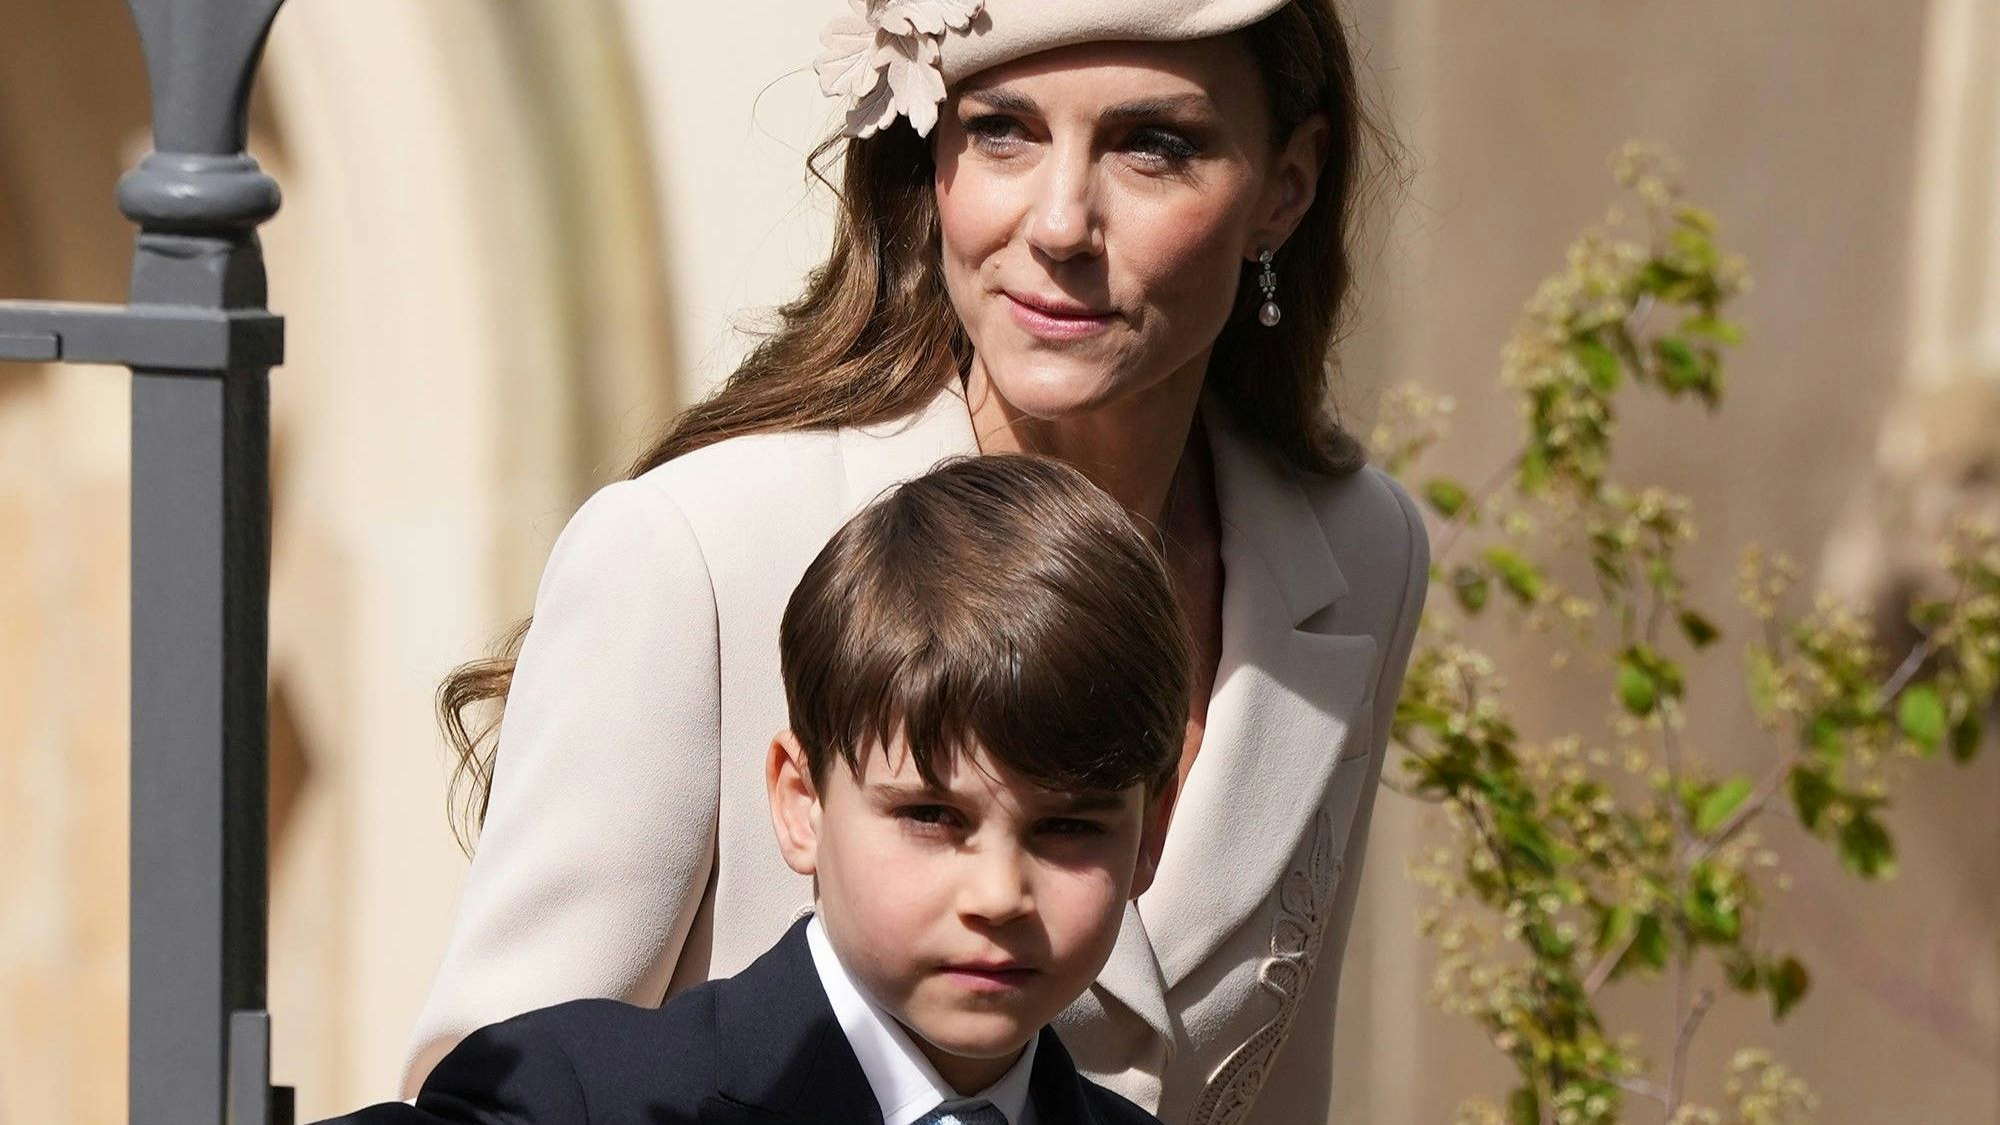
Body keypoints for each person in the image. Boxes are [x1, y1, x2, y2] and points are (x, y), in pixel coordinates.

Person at [407, 2, 1430, 1121]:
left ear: (1284, 186)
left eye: (1153, 145)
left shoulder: (1352, 553)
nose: (1059, 223)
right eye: (1001, 130)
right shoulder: (698, 550)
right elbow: (505, 1083)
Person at [326, 456, 1180, 1125]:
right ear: (802, 800)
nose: (999, 894)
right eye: (931, 815)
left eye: (1067, 826)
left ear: (1149, 832)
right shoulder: (580, 1100)